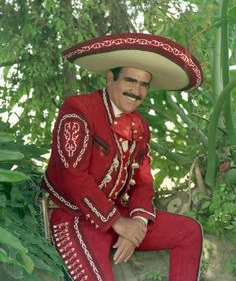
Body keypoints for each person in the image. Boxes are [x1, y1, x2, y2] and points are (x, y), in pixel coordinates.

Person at [41, 33, 203, 281]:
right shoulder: (79, 109)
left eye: (144, 84)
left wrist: (136, 223)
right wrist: (119, 223)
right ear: (110, 78)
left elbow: (143, 181)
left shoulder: (140, 126)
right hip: (73, 216)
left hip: (118, 215)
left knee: (189, 231)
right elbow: (73, 178)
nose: (137, 91)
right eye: (130, 80)